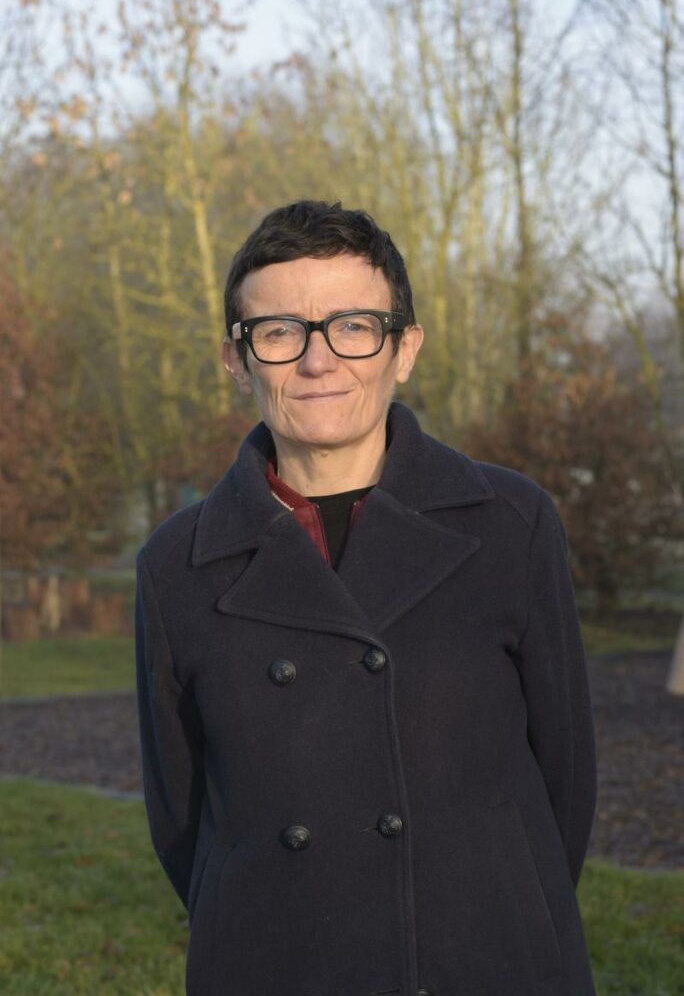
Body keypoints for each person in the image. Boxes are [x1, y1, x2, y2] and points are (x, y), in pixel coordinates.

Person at [135, 199, 597, 996]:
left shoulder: (510, 523)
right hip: (276, 962)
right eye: (280, 332)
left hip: (484, 957)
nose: (319, 361)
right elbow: (181, 817)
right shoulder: (177, 563)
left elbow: (566, 777)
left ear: (404, 348)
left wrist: (509, 908)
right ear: (237, 360)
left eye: (354, 326)